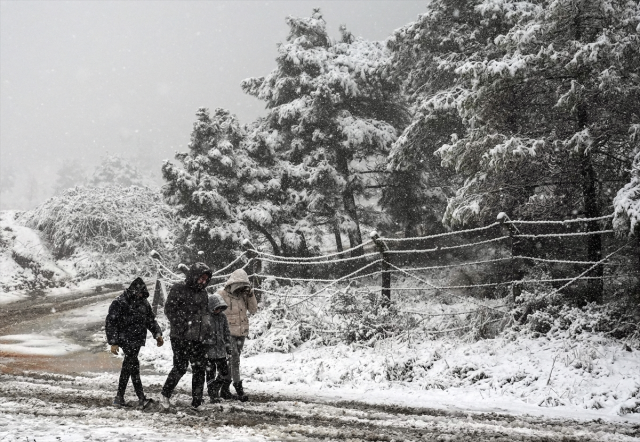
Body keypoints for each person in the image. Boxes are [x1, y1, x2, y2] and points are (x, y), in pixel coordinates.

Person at [160, 262, 213, 411]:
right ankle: (165, 394)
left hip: (198, 337)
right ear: (194, 276)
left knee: (199, 368)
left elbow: (205, 314)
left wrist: (207, 332)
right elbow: (169, 309)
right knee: (180, 367)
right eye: (201, 278)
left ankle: (197, 402)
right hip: (180, 336)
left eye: (205, 279)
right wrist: (182, 325)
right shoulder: (179, 289)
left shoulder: (203, 294)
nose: (203, 282)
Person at [105, 277, 163, 408]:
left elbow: (150, 320)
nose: (141, 296)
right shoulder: (120, 302)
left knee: (129, 366)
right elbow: (111, 323)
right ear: (133, 291)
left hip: (137, 340)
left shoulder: (144, 303)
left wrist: (157, 333)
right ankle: (140, 397)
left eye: (143, 294)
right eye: (139, 293)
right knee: (133, 365)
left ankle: (120, 398)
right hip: (125, 339)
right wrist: (113, 342)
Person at [217, 269, 258, 402]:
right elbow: (213, 310)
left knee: (232, 362)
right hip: (228, 333)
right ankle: (238, 389)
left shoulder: (244, 296)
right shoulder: (221, 294)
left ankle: (223, 388)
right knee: (234, 360)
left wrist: (251, 294)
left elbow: (253, 310)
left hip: (241, 333)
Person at [204, 293, 231, 403]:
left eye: (220, 309)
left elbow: (226, 333)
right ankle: (213, 395)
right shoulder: (206, 317)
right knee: (210, 373)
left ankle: (215, 386)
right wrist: (204, 349)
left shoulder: (223, 317)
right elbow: (202, 335)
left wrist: (228, 347)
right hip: (209, 351)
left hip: (220, 350)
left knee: (224, 372)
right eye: (216, 308)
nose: (218, 311)